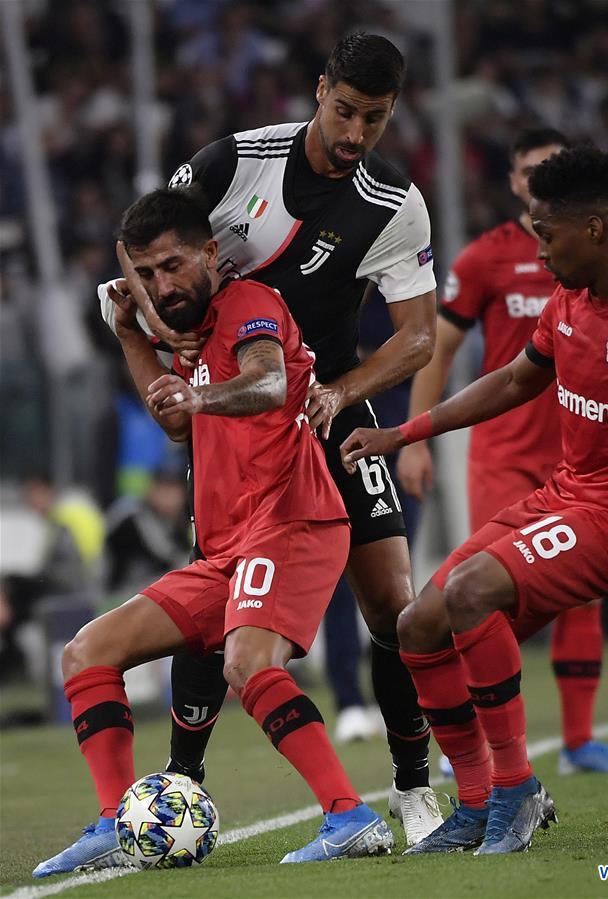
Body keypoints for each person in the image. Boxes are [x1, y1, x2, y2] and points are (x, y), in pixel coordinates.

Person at [340, 145, 608, 856]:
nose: (539, 250)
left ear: (594, 228)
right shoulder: (570, 299)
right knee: (417, 624)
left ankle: (517, 789)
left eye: (548, 233)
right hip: (565, 495)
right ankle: (477, 803)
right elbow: (512, 380)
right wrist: (403, 432)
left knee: (470, 591)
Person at [99, 32, 442, 844]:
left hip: (330, 409)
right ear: (320, 90)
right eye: (345, 110)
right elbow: (139, 244)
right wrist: (164, 331)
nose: (355, 133)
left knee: (393, 607)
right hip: (235, 414)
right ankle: (182, 783)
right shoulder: (233, 163)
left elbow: (420, 336)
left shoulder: (395, 203)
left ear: (392, 113)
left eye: (375, 118)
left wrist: (340, 393)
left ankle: (414, 787)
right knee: (210, 600)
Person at [34, 189, 393, 877]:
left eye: (172, 266)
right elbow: (175, 420)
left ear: (208, 253)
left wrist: (197, 393)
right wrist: (132, 336)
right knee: (86, 653)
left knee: (247, 663)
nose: (162, 285)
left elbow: (266, 383)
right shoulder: (189, 337)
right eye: (147, 273)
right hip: (227, 548)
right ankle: (113, 822)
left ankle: (350, 815)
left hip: (292, 521)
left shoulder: (250, 305)